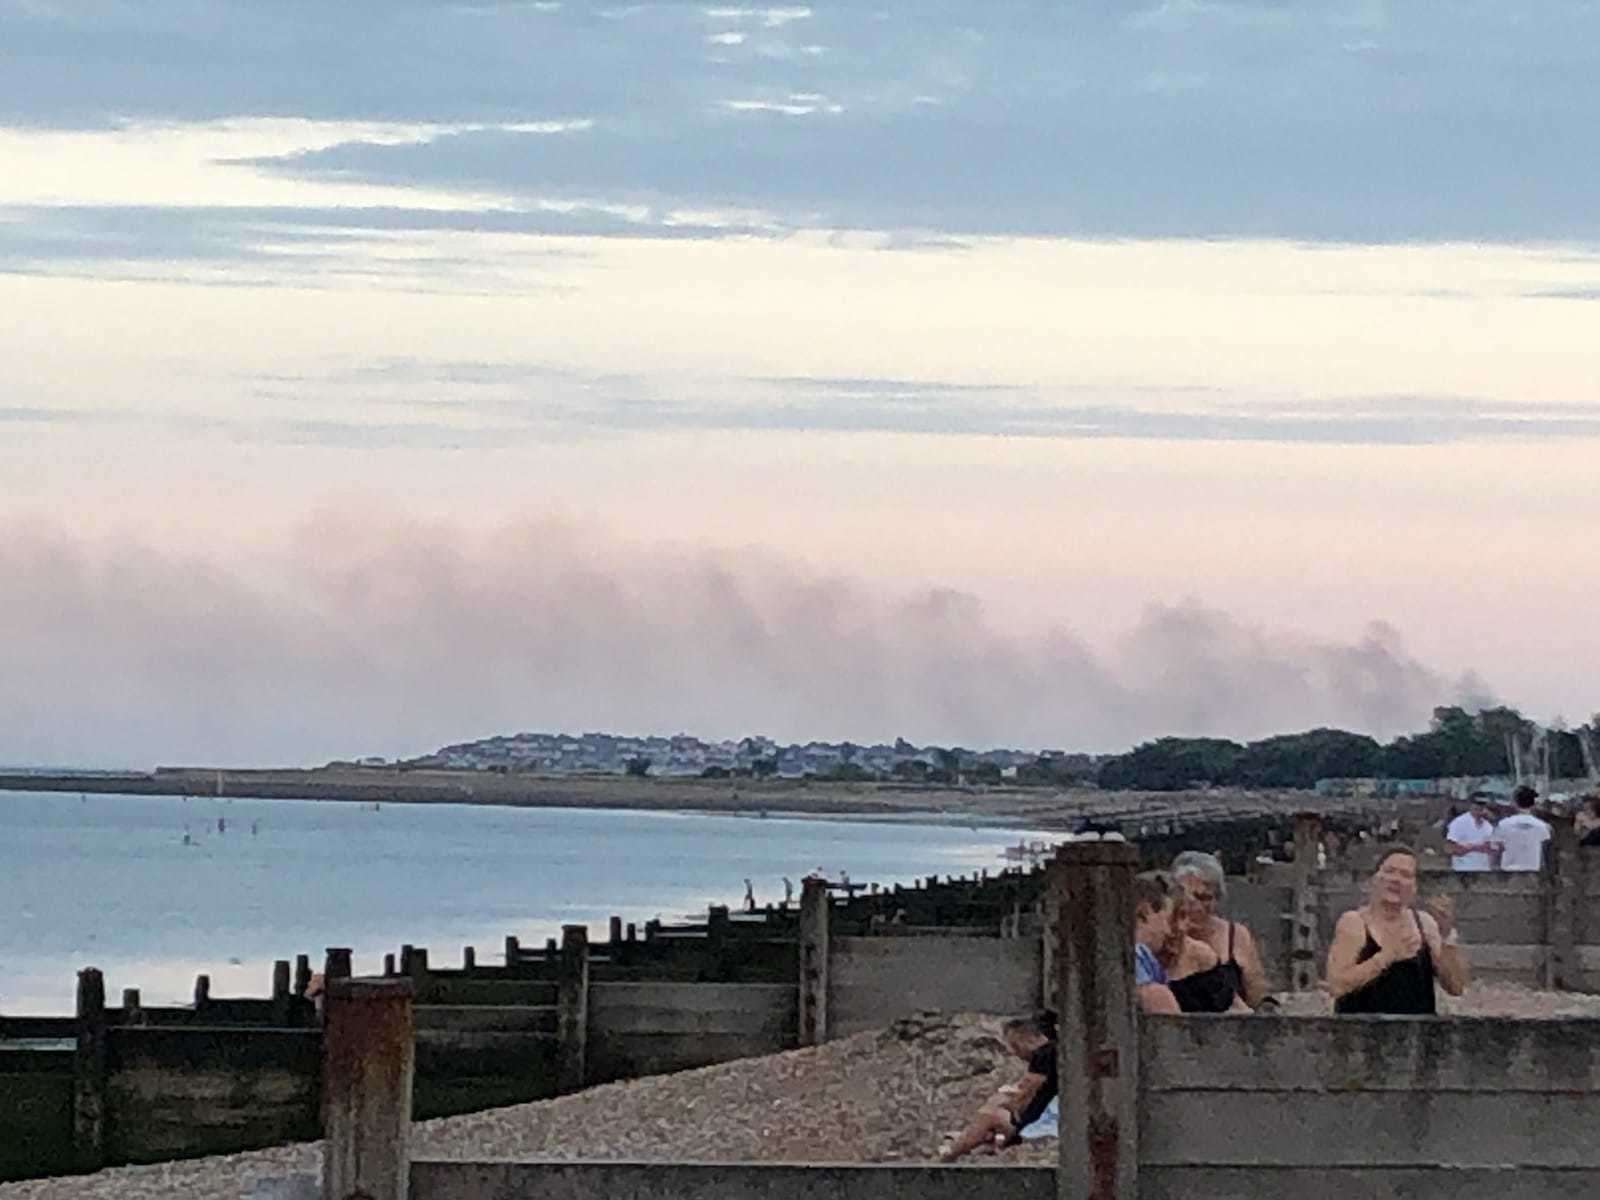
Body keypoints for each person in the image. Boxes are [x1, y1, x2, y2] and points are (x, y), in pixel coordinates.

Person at [1326, 846, 1469, 1014]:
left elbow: (1456, 987)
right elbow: (1337, 985)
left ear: (1415, 887)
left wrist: (1446, 937)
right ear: (1374, 879)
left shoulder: (1424, 923)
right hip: (1361, 1032)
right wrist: (1387, 956)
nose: (1396, 880)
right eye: (1389, 871)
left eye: (1406, 875)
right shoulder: (1354, 922)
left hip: (1415, 1033)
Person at [938, 1012, 1058, 1161]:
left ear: (1031, 1038)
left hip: (1039, 1116)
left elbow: (1027, 1093)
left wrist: (1008, 1101)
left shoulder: (1044, 1055)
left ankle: (951, 1152)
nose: (1015, 1053)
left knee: (990, 1114)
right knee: (992, 1111)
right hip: (1038, 1112)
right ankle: (972, 1139)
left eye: (1016, 1046)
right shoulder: (1051, 1053)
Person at [1168, 851, 1270, 1007]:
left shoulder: (1236, 936)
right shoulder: (1165, 936)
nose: (1196, 906)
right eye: (1189, 898)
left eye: (1206, 898)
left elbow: (1258, 997)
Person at [1162, 890, 1252, 1013]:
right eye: (1170, 920)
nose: (1181, 927)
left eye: (1184, 916)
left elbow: (1237, 1010)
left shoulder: (1202, 956)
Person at [1134, 872, 1182, 1014]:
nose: (1168, 931)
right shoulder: (1136, 955)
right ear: (1145, 913)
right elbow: (1155, 997)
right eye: (1167, 920)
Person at [1493, 786, 1552, 871]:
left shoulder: (1503, 825)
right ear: (1533, 804)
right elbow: (1544, 855)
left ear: (1514, 803)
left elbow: (1496, 851)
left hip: (1508, 874)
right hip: (1533, 873)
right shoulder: (1543, 827)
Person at [1445, 795, 1497, 871]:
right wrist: (1468, 848)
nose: (1479, 807)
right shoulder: (1459, 822)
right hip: (1463, 869)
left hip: (1483, 870)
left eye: (1482, 804)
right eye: (1476, 804)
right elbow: (1449, 848)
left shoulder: (1488, 826)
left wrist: (1475, 847)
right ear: (1471, 805)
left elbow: (1492, 849)